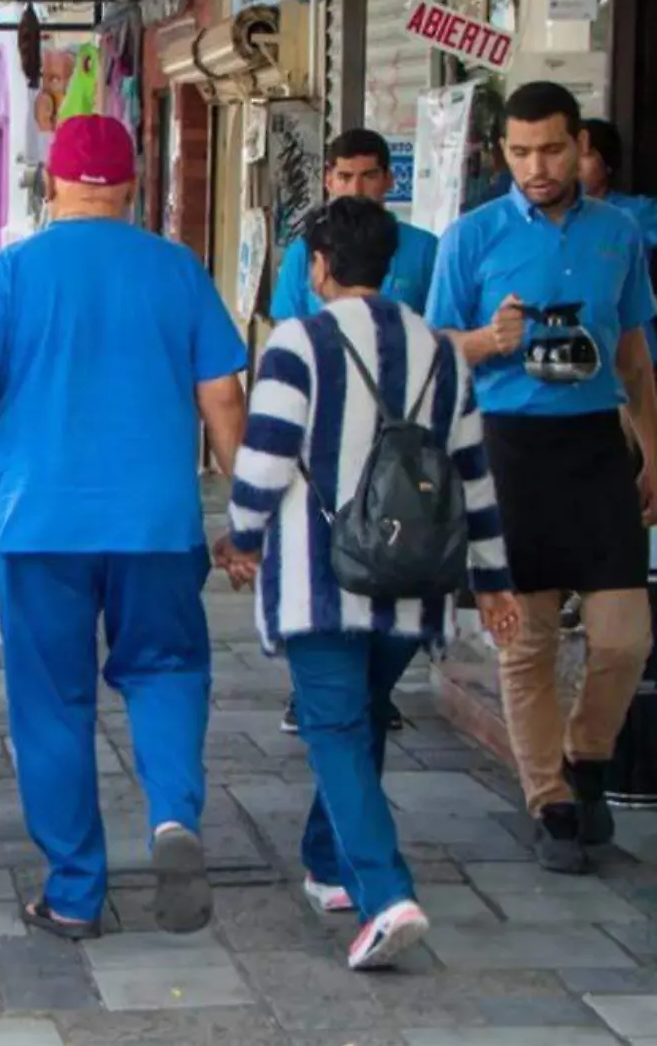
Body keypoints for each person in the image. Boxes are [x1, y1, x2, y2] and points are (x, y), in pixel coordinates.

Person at [0, 115, 249, 940]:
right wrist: (247, 515)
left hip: (40, 524)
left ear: (54, 184)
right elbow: (223, 400)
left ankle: (74, 890)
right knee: (168, 670)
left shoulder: (12, 274)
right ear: (133, 184)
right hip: (159, 523)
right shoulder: (179, 271)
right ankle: (172, 816)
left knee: (52, 703)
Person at [221, 198, 520, 970]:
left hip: (321, 583)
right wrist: (492, 580)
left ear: (319, 264)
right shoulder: (441, 351)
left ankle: (388, 895)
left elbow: (265, 463)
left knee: (337, 729)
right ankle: (330, 866)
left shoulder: (299, 345)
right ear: (387, 263)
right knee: (361, 717)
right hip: (413, 583)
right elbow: (473, 479)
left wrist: (241, 539)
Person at [426, 81, 657, 875]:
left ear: (580, 144)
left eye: (552, 149)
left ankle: (588, 758)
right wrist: (490, 339)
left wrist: (653, 449)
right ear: (502, 153)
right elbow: (434, 350)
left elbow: (632, 354)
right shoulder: (473, 236)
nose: (537, 166)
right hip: (509, 448)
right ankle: (551, 802)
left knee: (626, 637)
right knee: (524, 646)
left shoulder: (618, 234)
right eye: (520, 152)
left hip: (596, 445)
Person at [269, 128, 441, 735]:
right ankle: (320, 693)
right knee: (326, 569)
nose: (356, 187)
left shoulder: (424, 250)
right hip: (330, 437)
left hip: (404, 443)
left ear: (389, 181)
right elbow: (288, 335)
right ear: (327, 180)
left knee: (410, 570)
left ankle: (370, 689)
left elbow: (441, 339)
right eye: (343, 176)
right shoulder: (304, 253)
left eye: (368, 175)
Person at [579, 118, 657, 252]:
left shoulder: (637, 212)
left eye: (586, 155)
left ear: (608, 163)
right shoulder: (546, 213)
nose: (575, 164)